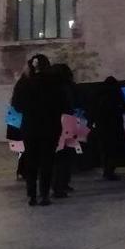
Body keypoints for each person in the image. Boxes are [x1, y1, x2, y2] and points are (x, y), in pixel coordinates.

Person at [11, 54, 66, 205]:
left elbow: (16, 104)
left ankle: (31, 194)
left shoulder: (24, 82)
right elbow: (64, 104)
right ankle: (44, 194)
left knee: (31, 160)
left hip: (30, 126)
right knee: (47, 161)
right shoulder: (54, 82)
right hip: (50, 126)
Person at [93, 76, 125, 181]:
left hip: (101, 126)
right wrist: (117, 111)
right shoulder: (116, 93)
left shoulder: (98, 94)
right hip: (115, 125)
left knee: (105, 149)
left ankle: (106, 171)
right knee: (113, 149)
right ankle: (110, 171)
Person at [51, 63, 77, 198]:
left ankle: (58, 185)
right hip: (67, 123)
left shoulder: (50, 89)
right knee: (65, 157)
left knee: (58, 157)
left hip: (55, 124)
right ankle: (61, 184)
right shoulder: (68, 88)